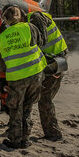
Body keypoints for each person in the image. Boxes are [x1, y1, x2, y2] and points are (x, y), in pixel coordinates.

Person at [0, 5, 46, 149]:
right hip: (36, 74)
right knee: (28, 108)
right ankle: (26, 139)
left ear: (6, 19)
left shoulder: (1, 38)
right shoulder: (30, 27)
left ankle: (15, 140)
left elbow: (1, 64)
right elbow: (40, 43)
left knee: (16, 109)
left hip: (17, 78)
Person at [28, 10, 68, 141]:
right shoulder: (32, 19)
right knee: (45, 98)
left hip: (55, 61)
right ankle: (51, 132)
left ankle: (53, 133)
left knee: (45, 98)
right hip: (54, 59)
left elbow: (41, 40)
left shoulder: (34, 17)